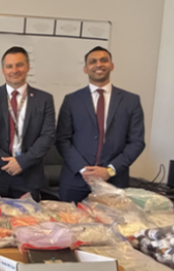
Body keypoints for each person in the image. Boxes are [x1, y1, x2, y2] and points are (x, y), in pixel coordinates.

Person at [56, 46, 145, 203]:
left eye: (104, 60)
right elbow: (62, 140)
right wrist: (84, 170)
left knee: (113, 227)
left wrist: (110, 170)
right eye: (93, 62)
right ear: (85, 69)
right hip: (76, 181)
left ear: (112, 65)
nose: (98, 65)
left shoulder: (131, 101)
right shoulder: (71, 100)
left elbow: (137, 142)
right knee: (69, 226)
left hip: (114, 182)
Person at [0, 47, 55, 200]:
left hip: (29, 175)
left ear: (28, 67)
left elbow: (47, 136)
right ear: (3, 70)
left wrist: (22, 162)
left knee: (30, 223)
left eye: (19, 65)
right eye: (9, 66)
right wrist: (6, 162)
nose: (14, 70)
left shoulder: (44, 99)